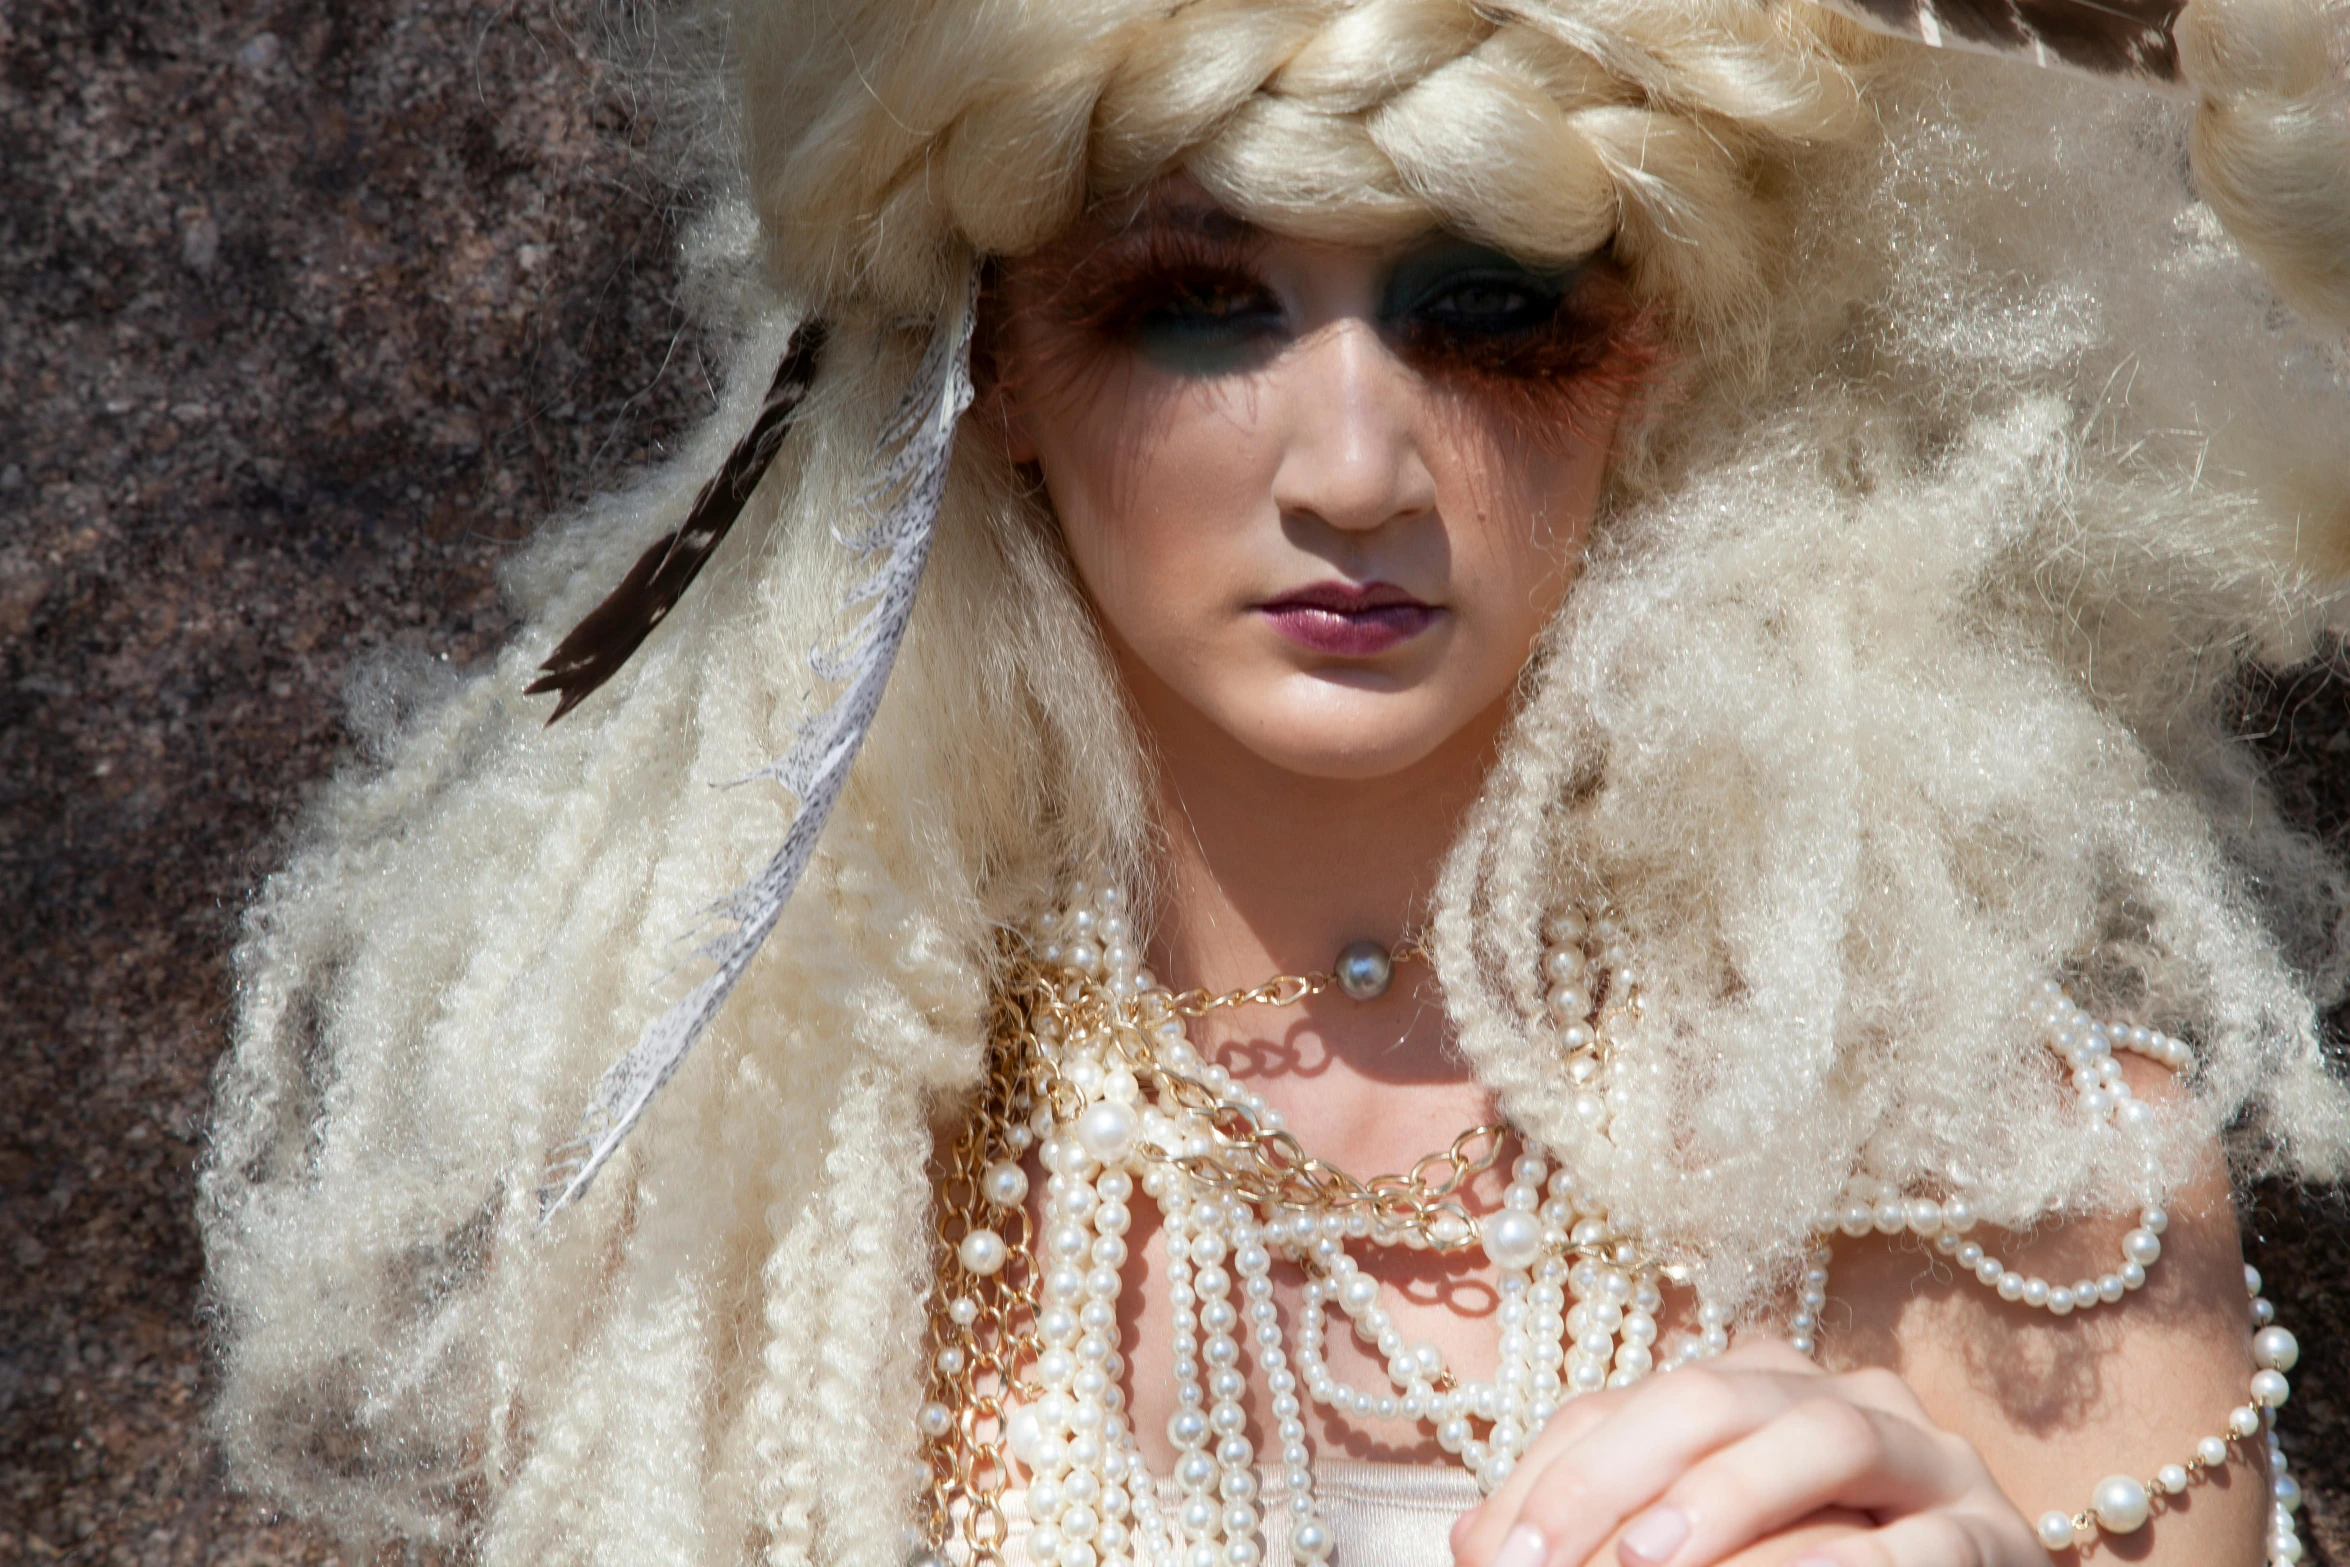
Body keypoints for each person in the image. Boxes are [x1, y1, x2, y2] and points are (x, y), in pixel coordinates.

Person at [199, 2, 2350, 1564]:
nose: (1348, 473)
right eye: (1200, 305)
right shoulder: (727, 1164)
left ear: (1651, 364)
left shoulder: (2018, 1184)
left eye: (1487, 310)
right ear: (993, 373)